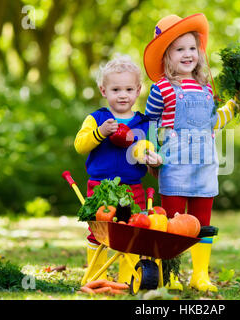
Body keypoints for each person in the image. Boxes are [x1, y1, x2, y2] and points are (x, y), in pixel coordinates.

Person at [143, 13, 238, 292]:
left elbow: (212, 123)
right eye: (179, 49)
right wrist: (151, 151)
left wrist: (233, 107)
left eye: (192, 48)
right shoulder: (161, 89)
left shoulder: (208, 88)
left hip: (205, 164)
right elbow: (150, 122)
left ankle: (200, 274)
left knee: (202, 225)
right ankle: (171, 275)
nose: (188, 54)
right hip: (174, 164)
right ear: (166, 56)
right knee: (173, 223)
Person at [74, 55, 162, 283]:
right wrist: (100, 132)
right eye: (115, 89)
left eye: (128, 89)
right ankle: (95, 276)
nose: (123, 94)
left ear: (138, 90)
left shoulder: (144, 123)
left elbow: (150, 147)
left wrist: (150, 156)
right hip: (100, 187)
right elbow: (80, 144)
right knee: (99, 232)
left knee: (133, 231)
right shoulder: (97, 118)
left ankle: (127, 279)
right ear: (104, 91)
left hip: (133, 188)